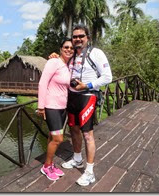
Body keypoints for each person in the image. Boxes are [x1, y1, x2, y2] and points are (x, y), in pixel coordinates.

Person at [60, 24, 112, 186]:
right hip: (72, 97)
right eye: (75, 36)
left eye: (81, 36)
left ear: (87, 38)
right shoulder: (72, 55)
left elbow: (107, 77)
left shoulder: (96, 53)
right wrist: (55, 56)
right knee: (73, 130)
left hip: (87, 96)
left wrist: (87, 85)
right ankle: (77, 159)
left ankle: (89, 172)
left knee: (87, 135)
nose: (78, 39)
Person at [37, 38, 74, 181]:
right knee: (59, 138)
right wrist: (41, 106)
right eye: (66, 47)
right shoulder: (53, 62)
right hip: (51, 107)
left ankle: (50, 163)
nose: (69, 50)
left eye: (71, 48)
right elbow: (42, 83)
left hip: (62, 107)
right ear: (60, 48)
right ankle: (46, 167)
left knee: (52, 137)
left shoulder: (67, 66)